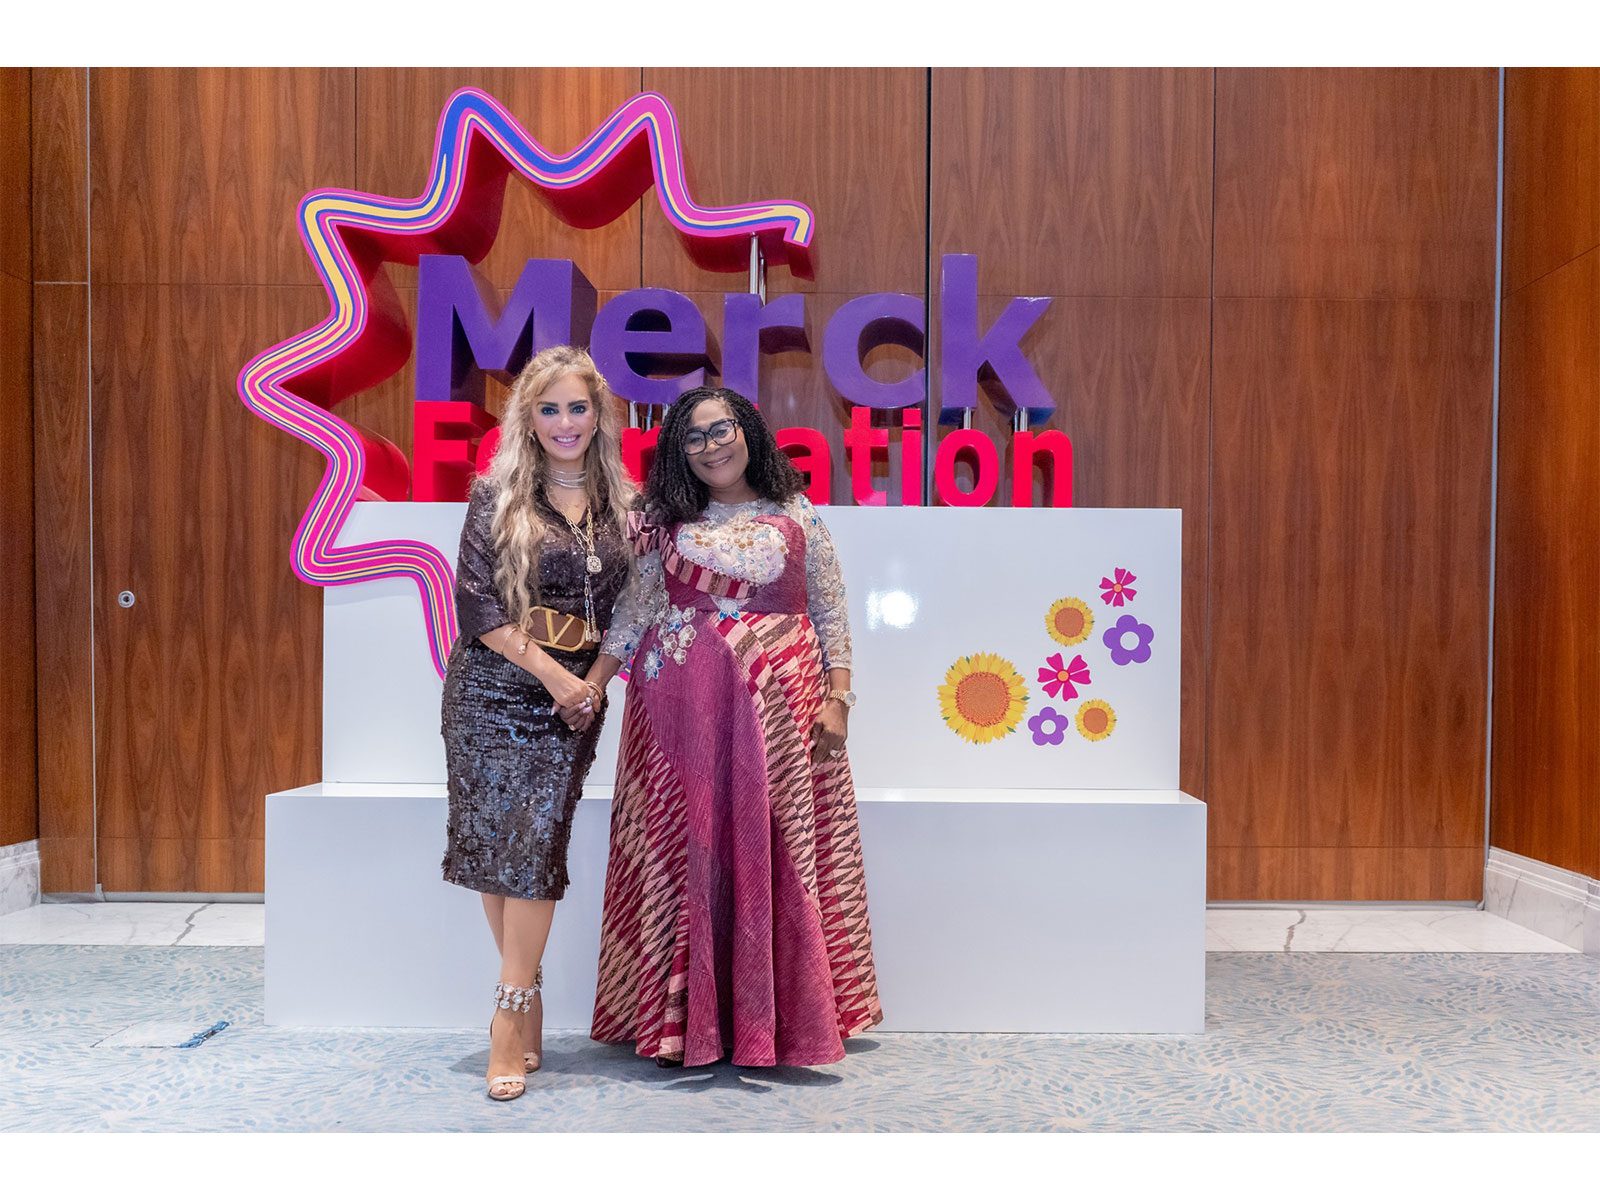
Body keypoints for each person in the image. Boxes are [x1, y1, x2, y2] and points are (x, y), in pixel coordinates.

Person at [587, 385, 883, 1067]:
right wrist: (593, 686)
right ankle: (677, 1024)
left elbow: (833, 611)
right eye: (693, 437)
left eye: (720, 429)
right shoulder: (659, 523)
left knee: (779, 842)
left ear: (747, 430)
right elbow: (633, 614)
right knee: (683, 847)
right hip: (679, 705)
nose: (710, 445)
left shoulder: (796, 512)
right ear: (677, 454)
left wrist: (840, 699)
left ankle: (777, 1024)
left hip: (783, 702)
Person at [440, 345, 635, 1101]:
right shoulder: (495, 495)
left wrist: (590, 683)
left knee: (536, 845)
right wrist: (556, 677)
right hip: (493, 690)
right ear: (528, 414)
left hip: (576, 698)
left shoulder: (626, 503)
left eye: (577, 407)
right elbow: (477, 607)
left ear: (597, 415)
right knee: (500, 846)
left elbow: (629, 611)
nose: (564, 422)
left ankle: (511, 1002)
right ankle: (517, 1006)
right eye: (548, 408)